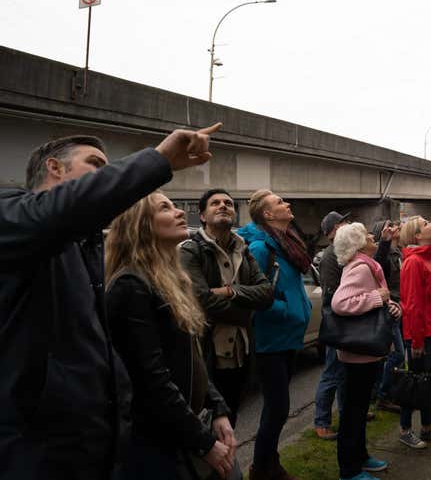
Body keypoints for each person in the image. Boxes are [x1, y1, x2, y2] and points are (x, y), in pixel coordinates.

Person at [0, 123, 219, 479]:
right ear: (54, 167)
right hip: (35, 456)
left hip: (91, 452)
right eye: (96, 165)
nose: (109, 178)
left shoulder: (83, 247)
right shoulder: (14, 216)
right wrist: (158, 160)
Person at [106, 192, 238, 480]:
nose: (180, 212)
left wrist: (217, 407)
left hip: (180, 429)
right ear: (139, 225)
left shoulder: (171, 278)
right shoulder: (131, 285)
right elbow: (151, 380)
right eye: (165, 208)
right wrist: (203, 442)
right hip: (155, 443)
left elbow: (194, 356)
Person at [180, 189, 274, 427]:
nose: (223, 206)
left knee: (230, 418)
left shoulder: (243, 249)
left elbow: (266, 294)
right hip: (206, 350)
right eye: (215, 203)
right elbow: (201, 300)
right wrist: (245, 310)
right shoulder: (191, 250)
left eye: (228, 203)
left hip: (240, 352)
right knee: (206, 420)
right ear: (202, 215)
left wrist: (232, 291)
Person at [237, 190, 312, 480]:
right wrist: (288, 309)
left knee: (277, 409)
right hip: (271, 339)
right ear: (268, 214)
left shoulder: (286, 241)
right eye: (280, 202)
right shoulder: (260, 249)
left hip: (288, 336)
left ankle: (271, 464)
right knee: (277, 408)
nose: (288, 204)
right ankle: (259, 469)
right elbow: (255, 297)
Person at [330, 223, 401, 480]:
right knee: (352, 412)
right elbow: (341, 303)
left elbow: (378, 296)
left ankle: (360, 457)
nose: (373, 237)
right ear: (359, 244)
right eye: (368, 235)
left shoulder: (367, 265)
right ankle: (349, 470)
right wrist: (378, 299)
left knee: (358, 410)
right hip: (358, 356)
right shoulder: (360, 268)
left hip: (365, 353)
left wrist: (392, 306)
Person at [397, 216, 431, 449]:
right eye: (426, 224)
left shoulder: (429, 258)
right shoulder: (413, 263)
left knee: (428, 383)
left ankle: (427, 428)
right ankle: (405, 429)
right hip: (423, 335)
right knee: (414, 384)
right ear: (417, 236)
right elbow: (412, 305)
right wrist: (417, 341)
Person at [312, 210, 351, 440]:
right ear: (335, 229)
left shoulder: (343, 252)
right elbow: (331, 296)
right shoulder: (330, 257)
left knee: (344, 374)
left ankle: (346, 413)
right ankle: (322, 422)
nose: (347, 225)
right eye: (343, 223)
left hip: (344, 322)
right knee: (332, 373)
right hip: (336, 323)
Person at [370, 220, 404, 413]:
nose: (394, 228)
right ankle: (382, 395)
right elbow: (379, 264)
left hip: (398, 306)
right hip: (389, 309)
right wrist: (384, 241)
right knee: (395, 354)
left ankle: (386, 392)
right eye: (389, 226)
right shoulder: (382, 253)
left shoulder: (397, 251)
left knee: (392, 356)